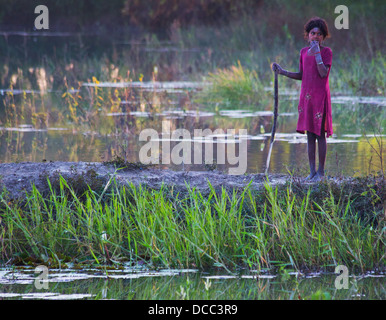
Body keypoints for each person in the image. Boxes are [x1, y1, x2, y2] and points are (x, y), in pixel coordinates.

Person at [272, 17, 333, 181]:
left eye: (319, 34)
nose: (316, 36)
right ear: (307, 35)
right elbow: (301, 75)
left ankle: (321, 173)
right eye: (313, 33)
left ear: (323, 36)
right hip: (306, 98)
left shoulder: (326, 52)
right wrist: (283, 72)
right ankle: (312, 172)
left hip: (320, 97)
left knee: (320, 134)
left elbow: (322, 73)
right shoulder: (303, 52)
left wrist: (318, 53)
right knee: (310, 135)